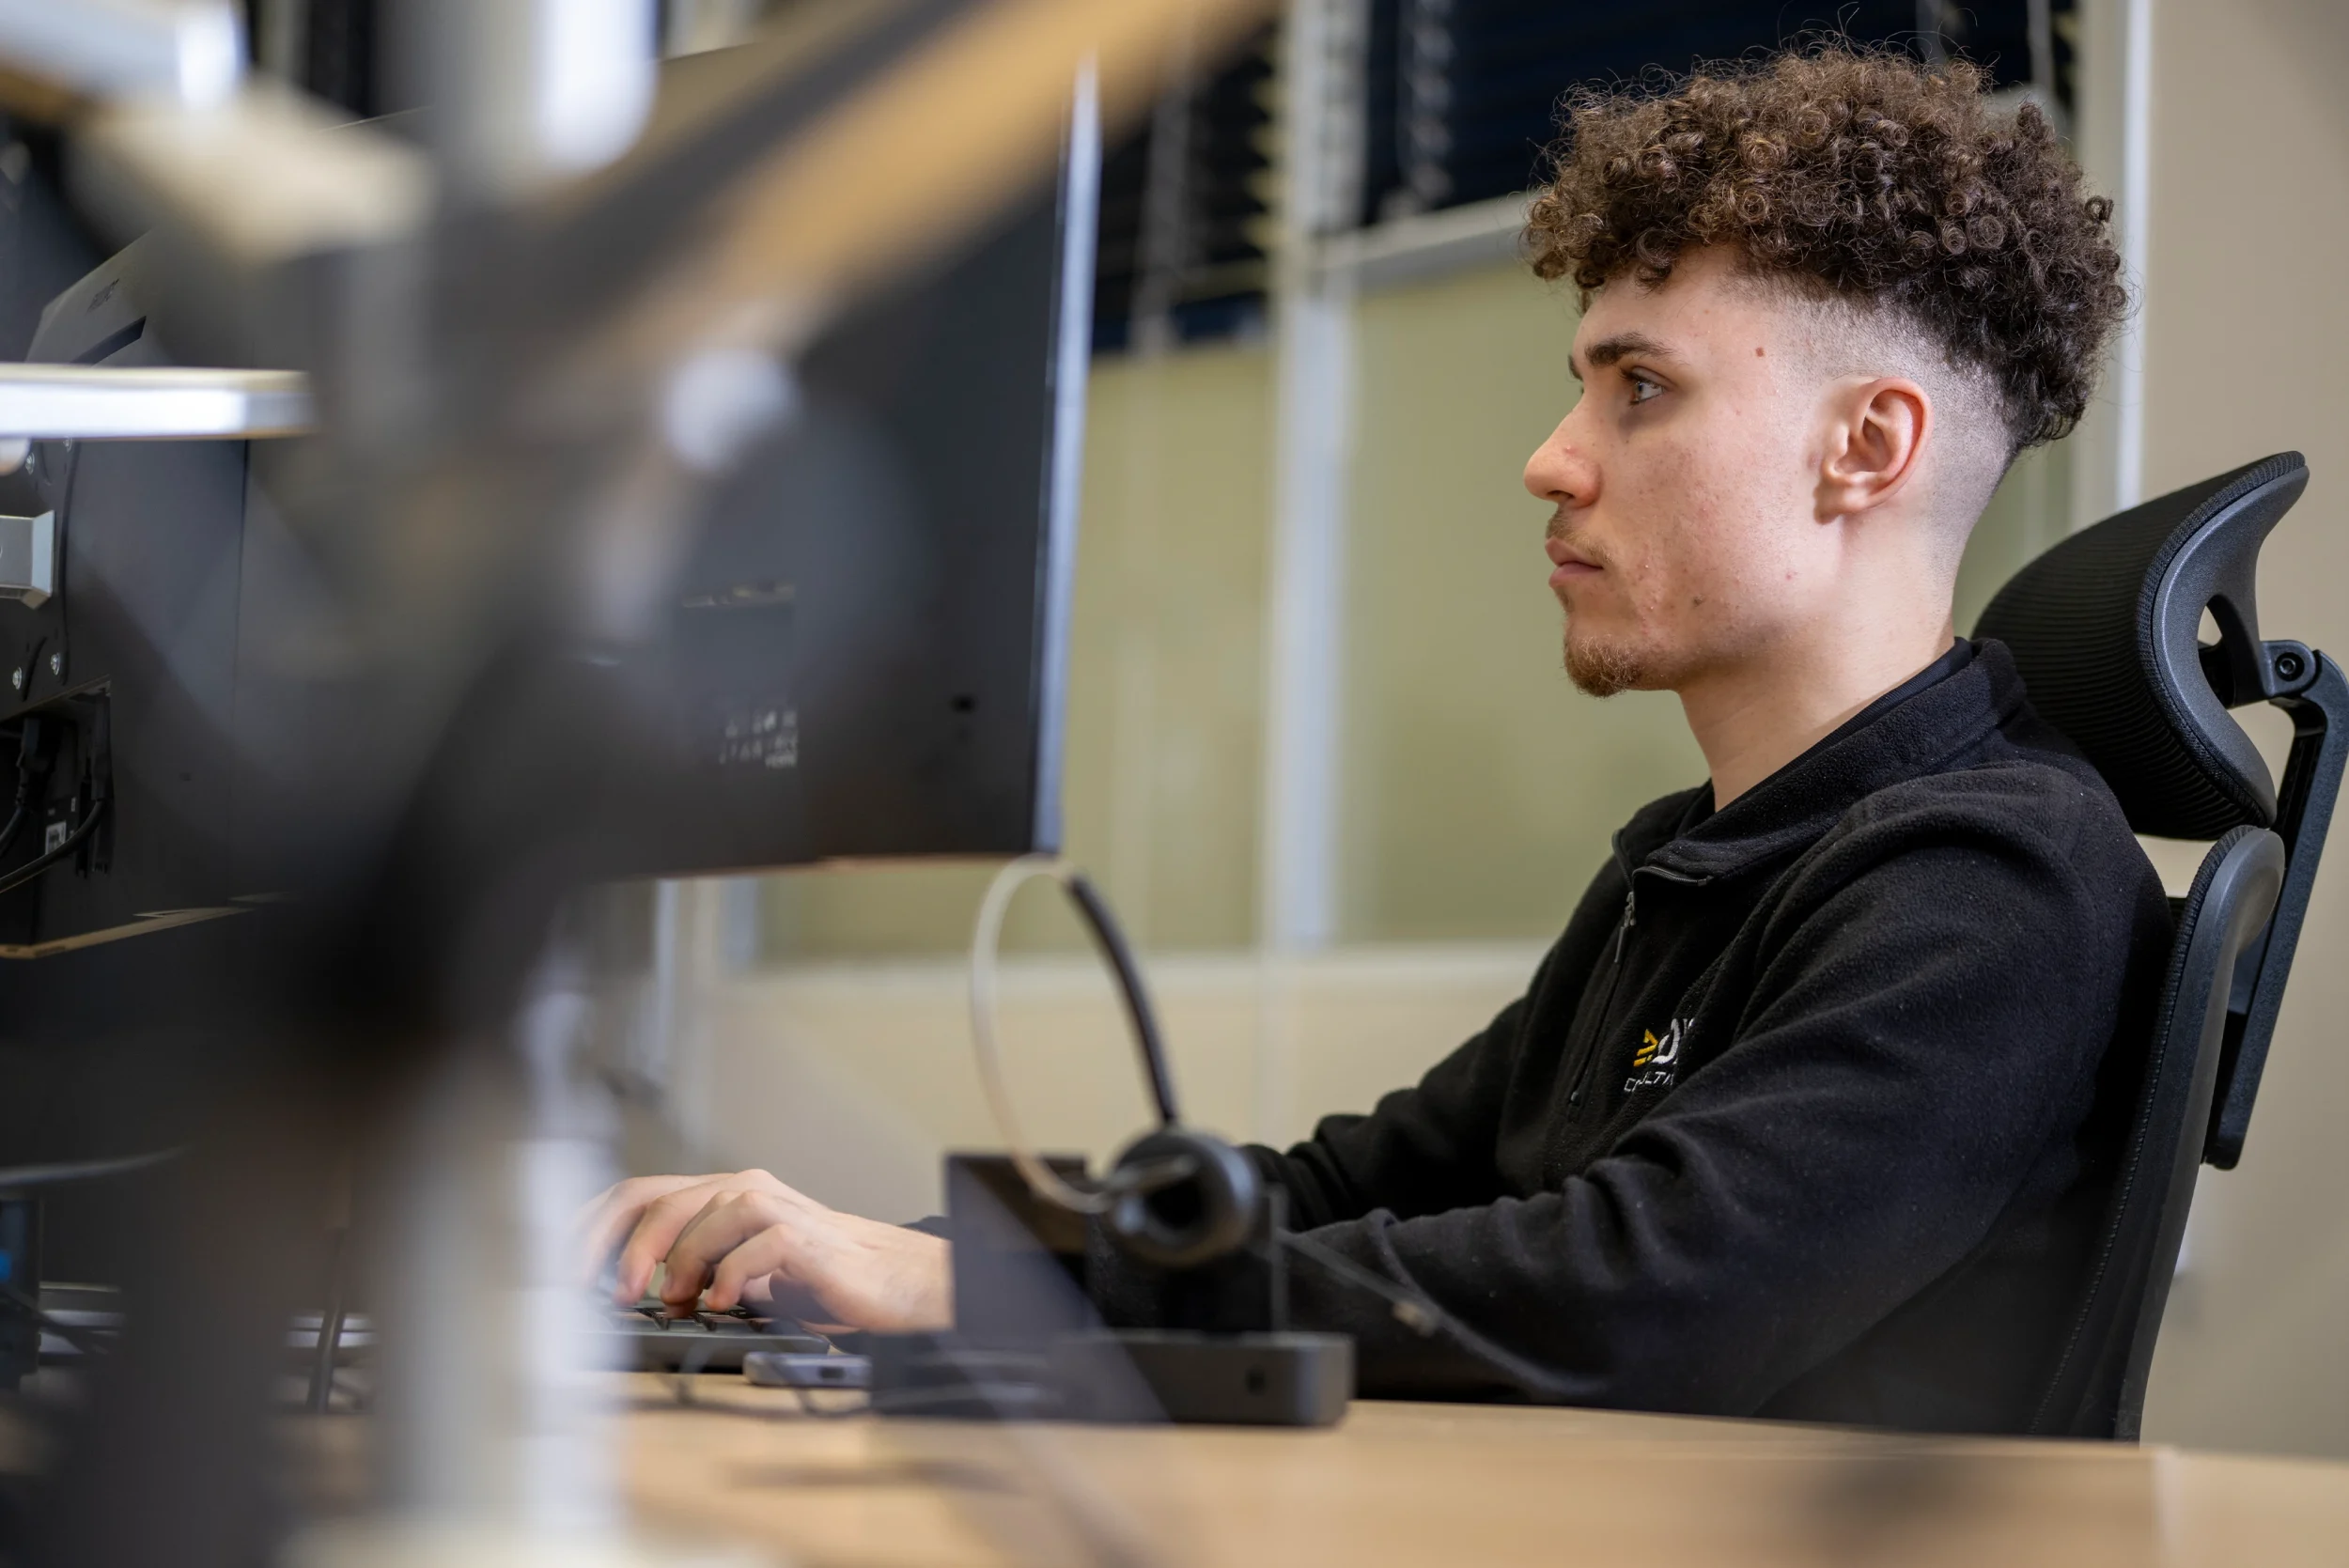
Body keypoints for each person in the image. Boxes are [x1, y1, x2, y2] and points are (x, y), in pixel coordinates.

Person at [582, 46, 2171, 1432]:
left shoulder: (1991, 878)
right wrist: (917, 1251)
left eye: (1640, 389)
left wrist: (979, 1294)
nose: (1551, 460)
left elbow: (1641, 1291)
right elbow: (1358, 1185)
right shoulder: (1705, 865)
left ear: (1865, 447)